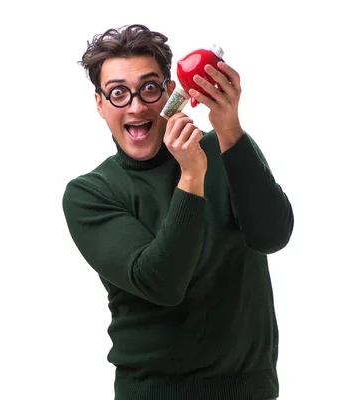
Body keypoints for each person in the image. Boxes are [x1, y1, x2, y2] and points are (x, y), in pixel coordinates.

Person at [61, 24, 293, 400]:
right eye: (118, 93)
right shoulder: (90, 193)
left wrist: (230, 129)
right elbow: (162, 284)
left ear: (173, 93)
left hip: (251, 390)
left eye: (149, 88)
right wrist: (191, 176)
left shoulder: (226, 149)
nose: (136, 106)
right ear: (100, 104)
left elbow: (272, 236)